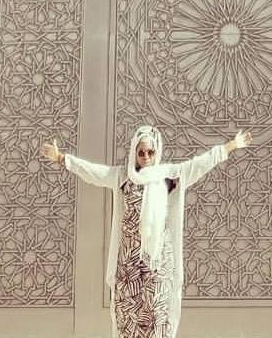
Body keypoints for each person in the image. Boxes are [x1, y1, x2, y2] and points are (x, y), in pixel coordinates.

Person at [41, 125, 252, 338]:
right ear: (134, 152)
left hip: (158, 263)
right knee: (128, 318)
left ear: (156, 152)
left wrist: (231, 146)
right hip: (128, 264)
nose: (146, 157)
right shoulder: (123, 176)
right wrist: (61, 158)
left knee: (157, 317)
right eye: (141, 152)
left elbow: (200, 163)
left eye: (150, 152)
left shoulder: (170, 176)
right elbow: (93, 172)